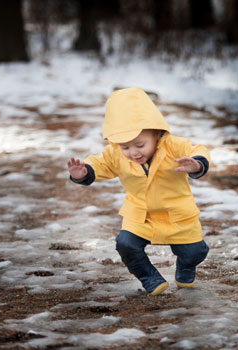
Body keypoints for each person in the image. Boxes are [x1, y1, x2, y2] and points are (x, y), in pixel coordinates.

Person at [67, 87, 210, 296]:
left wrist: (197, 164)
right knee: (125, 244)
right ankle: (149, 277)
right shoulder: (115, 154)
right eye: (125, 147)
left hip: (177, 214)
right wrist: (83, 172)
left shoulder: (172, 146)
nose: (133, 152)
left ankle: (186, 266)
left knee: (195, 251)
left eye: (140, 145)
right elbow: (99, 163)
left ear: (156, 133)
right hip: (140, 215)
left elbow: (197, 150)